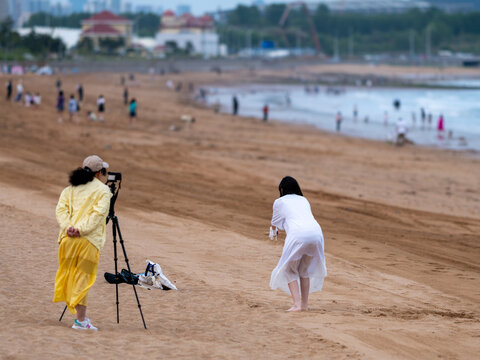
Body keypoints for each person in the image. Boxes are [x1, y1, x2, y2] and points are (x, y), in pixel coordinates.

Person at [53, 155, 112, 331]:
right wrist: (80, 230)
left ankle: (79, 316)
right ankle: (80, 320)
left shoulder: (69, 189)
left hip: (67, 240)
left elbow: (61, 211)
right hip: (88, 241)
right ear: (100, 172)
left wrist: (68, 228)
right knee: (83, 279)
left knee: (70, 275)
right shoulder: (103, 191)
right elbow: (98, 215)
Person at [270, 176, 327, 312]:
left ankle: (297, 305)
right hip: (317, 234)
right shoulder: (304, 200)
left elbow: (275, 222)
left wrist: (273, 232)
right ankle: (304, 305)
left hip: (298, 235)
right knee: (304, 270)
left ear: (282, 189)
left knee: (289, 270)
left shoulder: (279, 201)